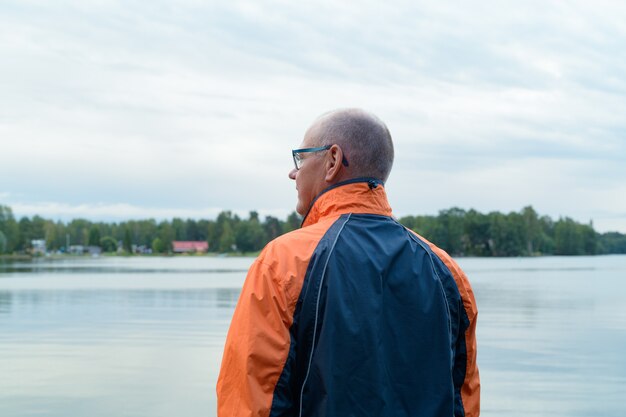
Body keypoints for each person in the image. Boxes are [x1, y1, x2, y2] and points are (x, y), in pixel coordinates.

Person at [216, 109, 480, 417]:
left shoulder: (284, 264)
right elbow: (464, 400)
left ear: (332, 160)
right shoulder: (447, 271)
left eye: (300, 158)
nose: (293, 173)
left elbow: (250, 402)